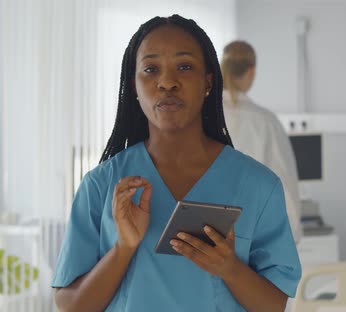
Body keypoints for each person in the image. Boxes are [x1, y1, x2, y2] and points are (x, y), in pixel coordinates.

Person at [52, 15, 300, 312]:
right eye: (151, 69)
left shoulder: (259, 186)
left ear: (208, 81)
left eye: (184, 67)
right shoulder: (102, 185)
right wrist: (123, 249)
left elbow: (274, 305)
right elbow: (70, 306)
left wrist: (230, 268)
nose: (167, 82)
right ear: (133, 85)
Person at [221, 40, 302, 243]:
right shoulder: (265, 121)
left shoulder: (199, 116)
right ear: (251, 72)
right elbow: (284, 183)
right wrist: (293, 236)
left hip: (200, 233)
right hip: (250, 234)